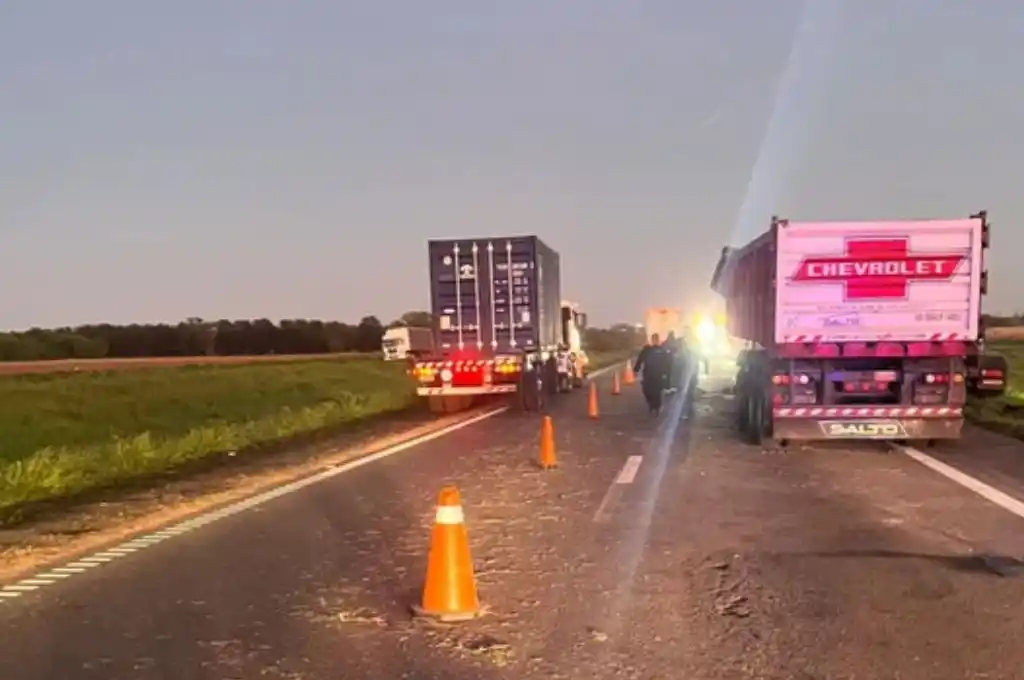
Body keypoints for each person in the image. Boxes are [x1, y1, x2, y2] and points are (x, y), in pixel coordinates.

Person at [633, 333, 673, 415]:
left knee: (657, 392)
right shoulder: (647, 350)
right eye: (653, 339)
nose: (655, 341)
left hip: (658, 374)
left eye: (656, 339)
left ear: (657, 340)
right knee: (646, 391)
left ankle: (656, 407)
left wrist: (667, 374)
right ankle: (651, 404)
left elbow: (668, 363)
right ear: (652, 340)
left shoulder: (662, 350)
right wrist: (636, 369)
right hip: (648, 374)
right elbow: (640, 359)